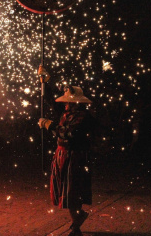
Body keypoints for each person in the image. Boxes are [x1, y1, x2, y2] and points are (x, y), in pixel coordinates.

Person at [38, 66, 94, 236]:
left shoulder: (83, 117)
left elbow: (70, 133)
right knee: (65, 192)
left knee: (72, 193)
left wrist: (50, 125)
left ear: (76, 102)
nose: (66, 103)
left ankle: (76, 226)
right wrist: (45, 82)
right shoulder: (67, 112)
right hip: (63, 155)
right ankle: (78, 220)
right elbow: (50, 100)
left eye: (69, 101)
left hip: (75, 157)